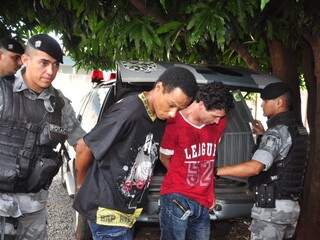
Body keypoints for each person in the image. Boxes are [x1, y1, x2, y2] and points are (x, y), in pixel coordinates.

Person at [73, 66, 198, 240]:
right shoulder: (129, 111)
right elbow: (83, 147)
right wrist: (81, 185)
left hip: (125, 213)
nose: (172, 114)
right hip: (107, 212)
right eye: (171, 105)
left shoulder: (158, 116)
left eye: (179, 109)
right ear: (159, 87)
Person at [0, 34, 85, 239]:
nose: (51, 71)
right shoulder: (3, 90)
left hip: (33, 208)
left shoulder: (59, 104)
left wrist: (82, 187)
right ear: (25, 60)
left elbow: (82, 145)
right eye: (44, 63)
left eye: (55, 65)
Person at [217, 82, 308, 240]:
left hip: (272, 210)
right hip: (290, 208)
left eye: (266, 101)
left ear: (279, 103)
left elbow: (255, 167)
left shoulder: (277, 132)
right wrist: (262, 135)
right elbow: (286, 158)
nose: (262, 105)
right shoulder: (297, 129)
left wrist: (216, 170)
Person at [158, 82, 234, 240]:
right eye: (214, 116)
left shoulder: (219, 122)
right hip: (177, 197)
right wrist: (183, 180)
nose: (217, 122)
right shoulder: (175, 122)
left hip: (203, 200)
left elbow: (208, 157)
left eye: (221, 117)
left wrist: (209, 191)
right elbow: (164, 157)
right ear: (201, 104)